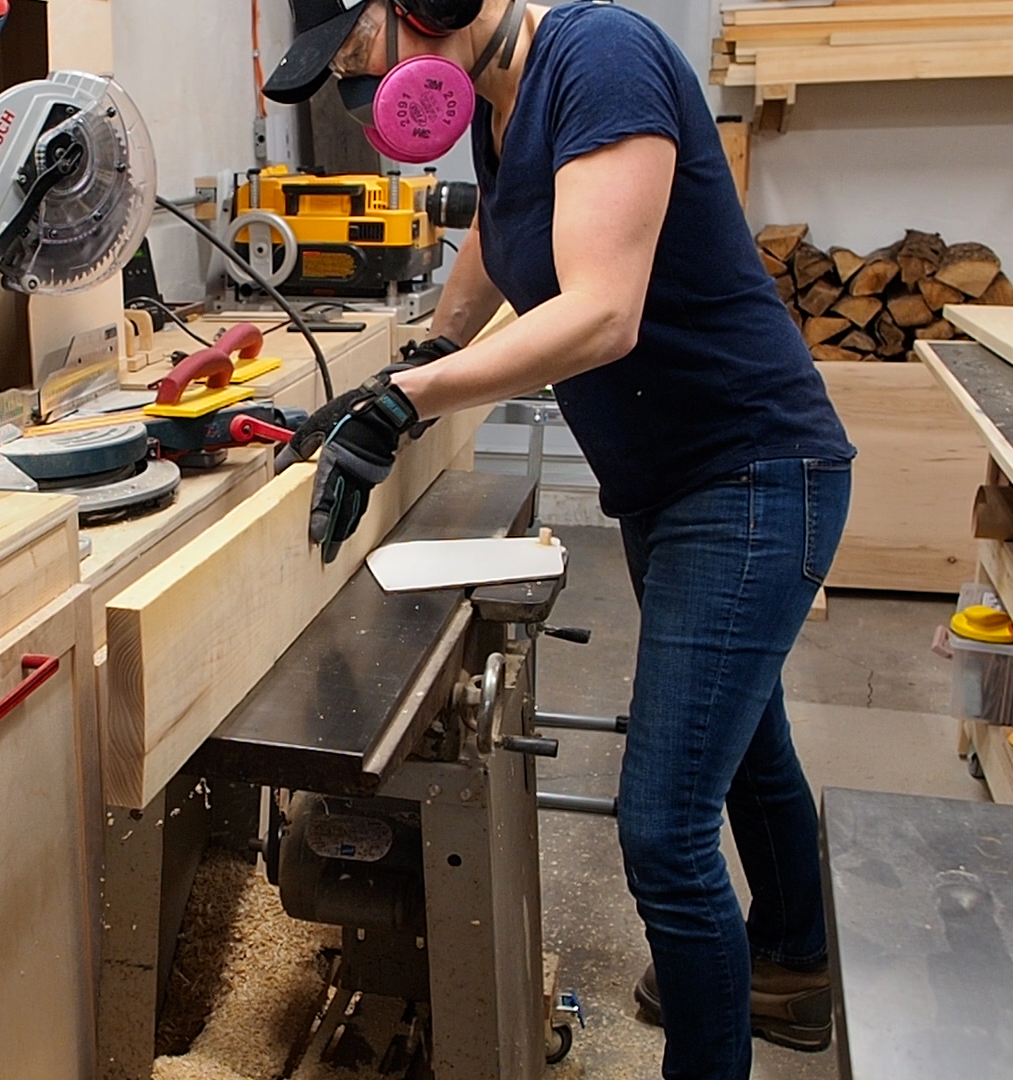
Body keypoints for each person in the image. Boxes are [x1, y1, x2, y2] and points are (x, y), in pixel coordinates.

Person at [262, 2, 856, 1077]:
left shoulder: (603, 59)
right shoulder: (507, 104)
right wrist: (420, 356)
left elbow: (601, 315)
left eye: (360, 61)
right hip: (673, 482)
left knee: (664, 832)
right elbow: (501, 236)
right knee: (747, 740)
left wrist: (413, 401)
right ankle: (796, 961)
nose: (363, 100)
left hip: (753, 475)